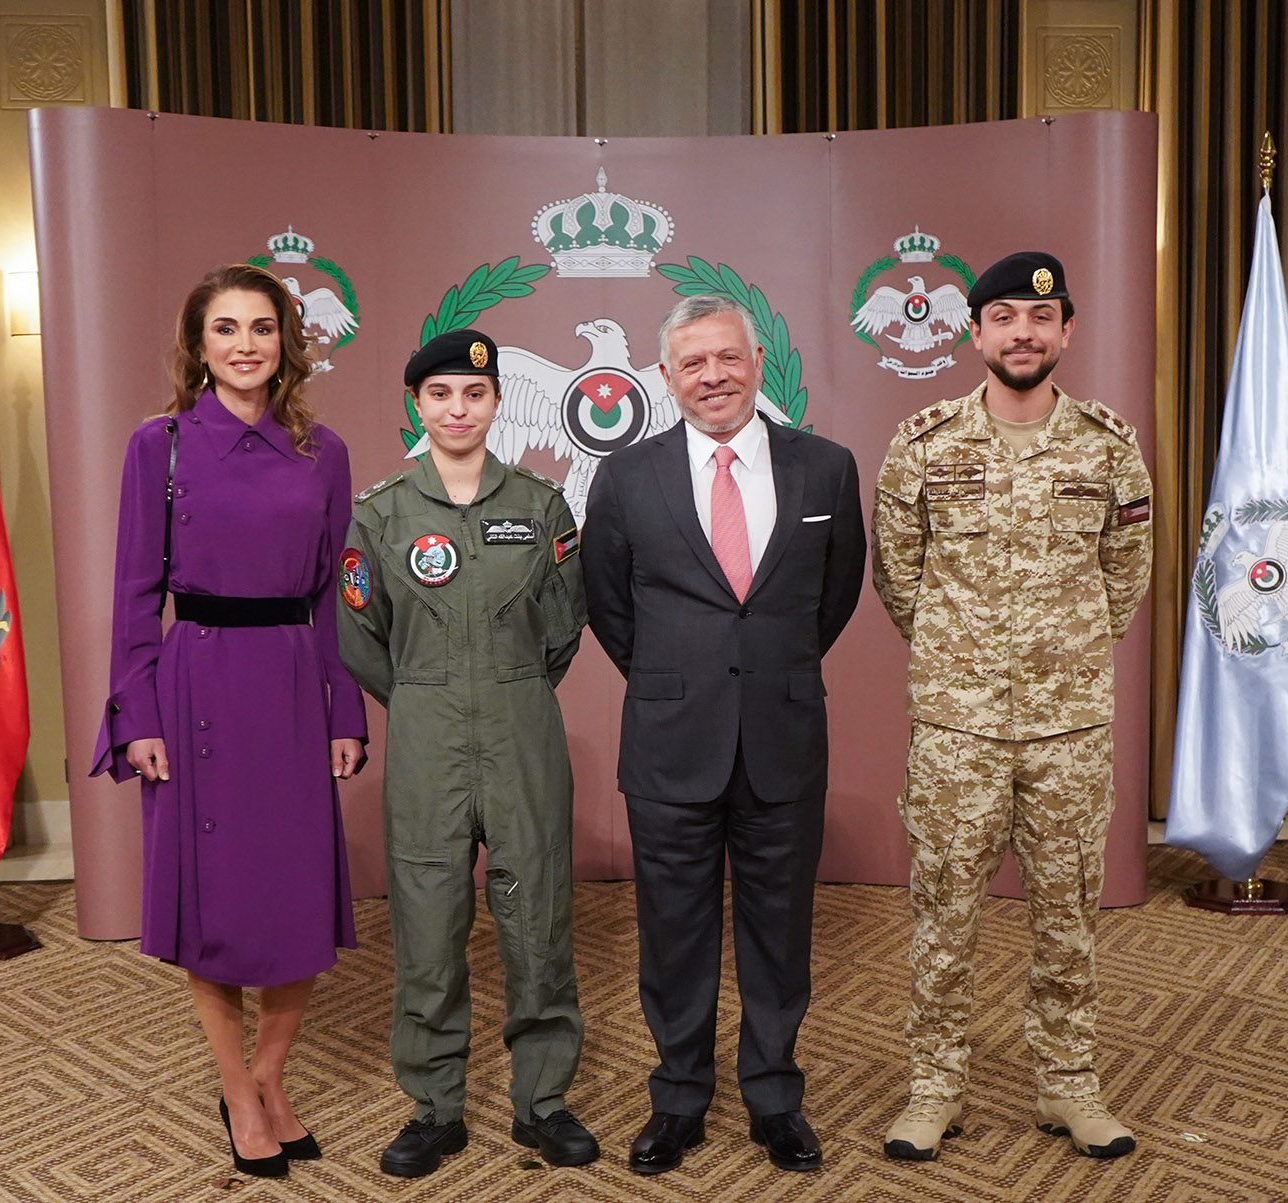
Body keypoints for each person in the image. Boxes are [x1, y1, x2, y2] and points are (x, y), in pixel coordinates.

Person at [870, 251, 1153, 1162]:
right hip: (958, 730)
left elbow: (1124, 578)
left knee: (1069, 915)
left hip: (1070, 728)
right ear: (975, 332)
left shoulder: (1109, 446)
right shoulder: (924, 444)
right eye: (1003, 318)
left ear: (1066, 330)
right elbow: (899, 579)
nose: (1022, 333)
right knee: (943, 913)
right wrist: (966, 664)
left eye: (1039, 318)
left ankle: (1069, 1084)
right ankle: (935, 1086)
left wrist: (1057, 658)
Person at [92, 264, 368, 1180]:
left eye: (262, 327)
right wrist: (136, 713)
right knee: (207, 904)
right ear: (198, 344)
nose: (246, 344)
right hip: (196, 684)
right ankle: (237, 1092)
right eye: (226, 328)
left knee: (297, 897)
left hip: (290, 686)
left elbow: (332, 598)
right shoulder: (160, 445)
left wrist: (344, 704)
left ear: (286, 343)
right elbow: (134, 593)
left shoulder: (323, 451)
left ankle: (270, 1078)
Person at [582, 294, 866, 1175]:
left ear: (757, 363)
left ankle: (775, 1097)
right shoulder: (626, 476)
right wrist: (681, 680)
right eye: (693, 363)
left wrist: (767, 671)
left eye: (728, 358)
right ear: (667, 378)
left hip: (784, 735)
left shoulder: (826, 468)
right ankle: (678, 1099)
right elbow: (610, 605)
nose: (714, 376)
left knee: (780, 931)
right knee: (674, 931)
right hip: (670, 740)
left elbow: (833, 598)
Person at [338, 328, 598, 1179]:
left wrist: (508, 687)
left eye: (475, 394)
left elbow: (563, 627)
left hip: (523, 730)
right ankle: (434, 1107)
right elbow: (360, 638)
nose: (458, 409)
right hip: (426, 735)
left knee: (539, 920)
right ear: (418, 403)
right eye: (441, 394)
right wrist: (424, 697)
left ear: (495, 403)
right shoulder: (381, 514)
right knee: (426, 923)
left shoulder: (543, 505)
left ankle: (543, 1101)